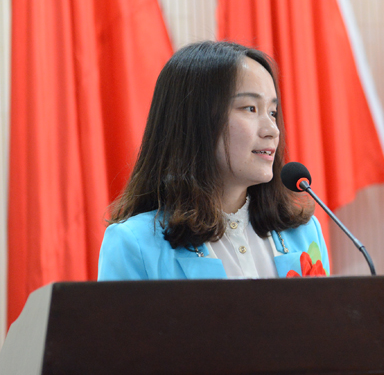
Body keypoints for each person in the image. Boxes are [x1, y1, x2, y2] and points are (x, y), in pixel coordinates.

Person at [97, 41, 329, 280]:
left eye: (272, 112)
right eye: (250, 108)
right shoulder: (134, 244)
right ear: (194, 120)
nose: (272, 130)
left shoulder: (304, 234)